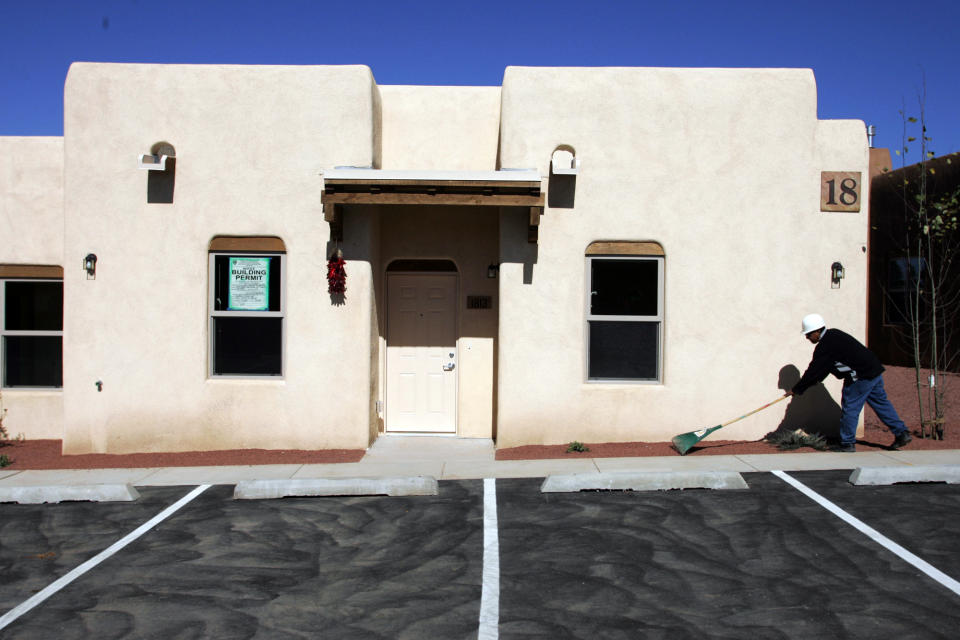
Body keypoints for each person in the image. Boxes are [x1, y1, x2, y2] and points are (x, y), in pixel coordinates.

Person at [784, 313, 912, 452]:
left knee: (850, 407)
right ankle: (902, 433)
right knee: (882, 404)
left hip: (860, 376)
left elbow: (814, 371)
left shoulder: (825, 345)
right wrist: (801, 387)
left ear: (817, 331)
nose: (807, 337)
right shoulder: (834, 335)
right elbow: (822, 369)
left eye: (808, 334)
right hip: (874, 371)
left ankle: (847, 443)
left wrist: (797, 389)